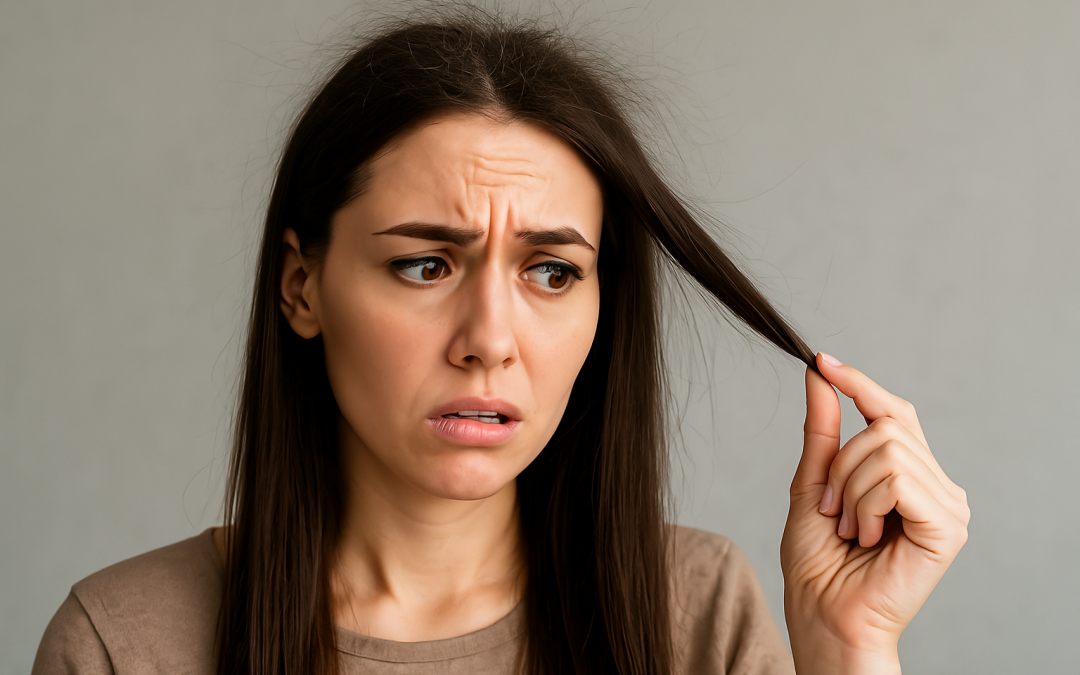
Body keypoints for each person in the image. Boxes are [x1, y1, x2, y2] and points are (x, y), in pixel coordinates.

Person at [32, 9, 969, 675]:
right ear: (300, 285)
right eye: (425, 266)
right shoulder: (125, 642)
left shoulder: (697, 612)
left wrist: (851, 651)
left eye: (551, 272)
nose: (489, 340)